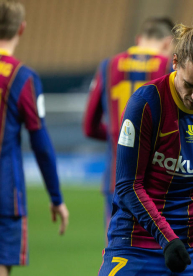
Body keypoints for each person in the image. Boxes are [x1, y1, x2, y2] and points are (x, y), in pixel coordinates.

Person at [97, 12, 193, 275]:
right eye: (189, 84)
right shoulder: (146, 102)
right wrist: (166, 238)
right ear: (175, 62)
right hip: (136, 242)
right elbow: (127, 184)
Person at [83, 17, 174, 237]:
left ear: (138, 39)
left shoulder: (108, 66)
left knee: (118, 250)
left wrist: (123, 138)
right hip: (160, 176)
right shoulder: (168, 66)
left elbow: (89, 127)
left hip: (117, 174)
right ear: (167, 43)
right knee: (162, 251)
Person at [0, 1, 69, 276]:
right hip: (5, 192)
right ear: (22, 29)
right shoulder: (23, 77)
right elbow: (40, 142)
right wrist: (56, 197)